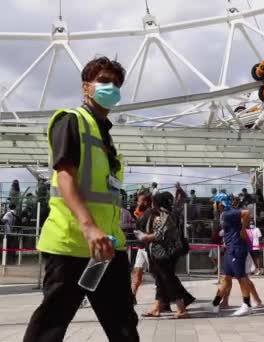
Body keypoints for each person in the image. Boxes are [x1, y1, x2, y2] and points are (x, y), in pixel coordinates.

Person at [24, 57, 139, 341]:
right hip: (73, 245)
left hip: (106, 249)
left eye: (116, 83)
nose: (110, 87)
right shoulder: (72, 121)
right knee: (52, 323)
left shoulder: (105, 136)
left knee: (123, 324)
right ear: (86, 87)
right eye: (103, 81)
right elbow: (65, 175)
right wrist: (89, 227)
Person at [137, 192, 194, 319]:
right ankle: (157, 307)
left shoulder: (163, 215)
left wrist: (145, 237)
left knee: (168, 279)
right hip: (162, 252)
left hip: (162, 253)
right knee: (161, 280)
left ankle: (181, 308)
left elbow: (159, 234)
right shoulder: (168, 213)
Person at [208, 192, 255, 316]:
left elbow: (247, 213)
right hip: (230, 248)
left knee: (241, 277)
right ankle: (215, 303)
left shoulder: (229, 213)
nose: (213, 204)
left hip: (237, 248)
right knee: (226, 278)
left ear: (220, 203)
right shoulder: (224, 214)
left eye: (215, 202)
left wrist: (243, 230)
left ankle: (247, 305)